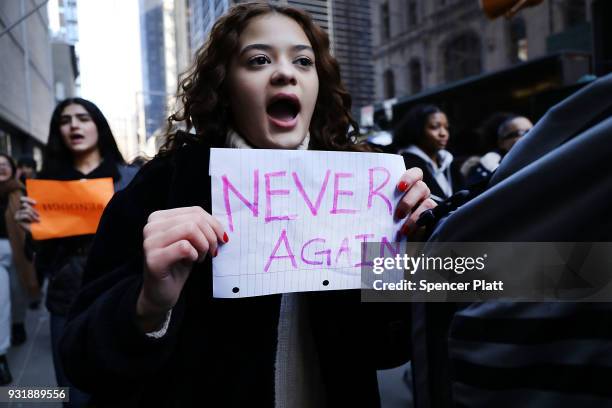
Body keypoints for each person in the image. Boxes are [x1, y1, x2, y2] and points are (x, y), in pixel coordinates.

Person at [58, 3, 435, 407]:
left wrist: (415, 252)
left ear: (317, 85)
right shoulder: (163, 187)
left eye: (303, 61)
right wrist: (147, 304)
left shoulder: (369, 190)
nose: (285, 72)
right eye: (258, 60)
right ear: (225, 85)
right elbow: (81, 359)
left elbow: (389, 348)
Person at [15, 97, 138, 407]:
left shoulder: (130, 179)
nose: (74, 126)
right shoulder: (45, 186)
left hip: (122, 292)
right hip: (66, 296)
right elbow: (38, 255)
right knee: (71, 391)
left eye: (82, 118)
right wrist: (29, 232)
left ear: (98, 125)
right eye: (65, 120)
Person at [0, 153, 38, 384]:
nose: (1, 168)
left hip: (17, 250)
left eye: (5, 165)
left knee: (17, 292)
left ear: (13, 169)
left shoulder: (21, 191)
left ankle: (18, 323)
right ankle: (2, 354)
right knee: (2, 299)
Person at [394, 104, 464, 202]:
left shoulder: (449, 162)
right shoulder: (404, 164)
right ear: (417, 130)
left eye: (446, 127)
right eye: (435, 127)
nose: (443, 133)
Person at [466, 114, 533, 186]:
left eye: (533, 131)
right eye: (521, 132)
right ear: (501, 142)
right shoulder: (489, 165)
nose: (530, 135)